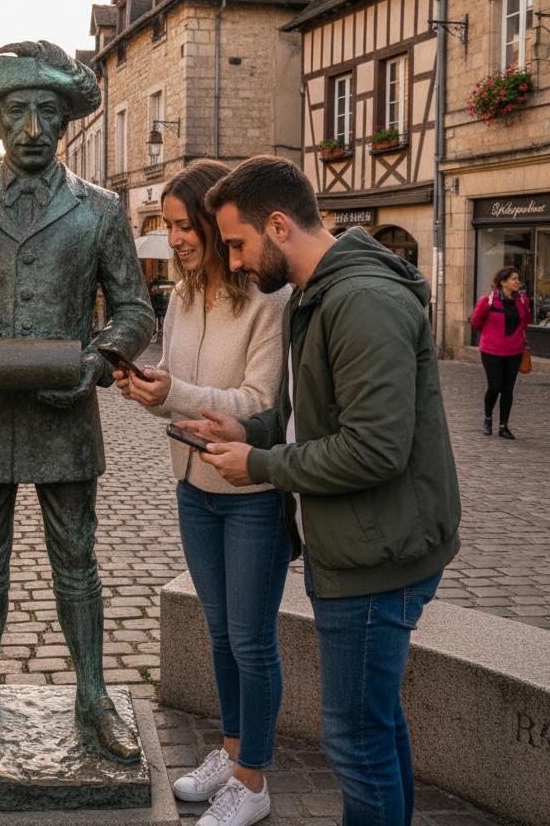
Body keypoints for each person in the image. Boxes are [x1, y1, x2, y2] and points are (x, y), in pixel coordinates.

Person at [178, 156, 460, 826]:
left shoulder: (360, 301)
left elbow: (374, 448)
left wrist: (262, 464)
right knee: (376, 727)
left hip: (377, 554)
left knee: (355, 742)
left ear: (279, 225)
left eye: (238, 244)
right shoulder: (320, 294)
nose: (234, 262)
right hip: (359, 545)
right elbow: (305, 416)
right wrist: (248, 428)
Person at [0, 40, 154, 762]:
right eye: (18, 112)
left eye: (48, 112)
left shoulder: (100, 210)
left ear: (67, 121)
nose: (34, 129)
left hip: (64, 411)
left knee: (77, 558)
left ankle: (94, 695)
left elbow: (135, 310)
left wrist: (101, 359)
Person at [114, 160, 289, 826]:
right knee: (218, 633)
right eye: (170, 226)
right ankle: (233, 749)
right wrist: (147, 386)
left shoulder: (267, 301)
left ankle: (253, 781)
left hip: (251, 491)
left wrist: (176, 392)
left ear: (218, 227)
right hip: (193, 485)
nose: (177, 238)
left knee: (251, 640)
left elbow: (260, 403)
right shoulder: (182, 297)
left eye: (186, 226)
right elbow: (178, 386)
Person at [471, 265, 530, 439]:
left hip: (515, 350)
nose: (518, 282)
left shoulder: (523, 300)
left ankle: (504, 426)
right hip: (492, 350)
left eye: (518, 279)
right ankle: (488, 419)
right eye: (514, 279)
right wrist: (492, 335)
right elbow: (476, 321)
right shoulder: (488, 299)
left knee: (508, 389)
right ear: (503, 282)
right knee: (494, 386)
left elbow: (525, 321)